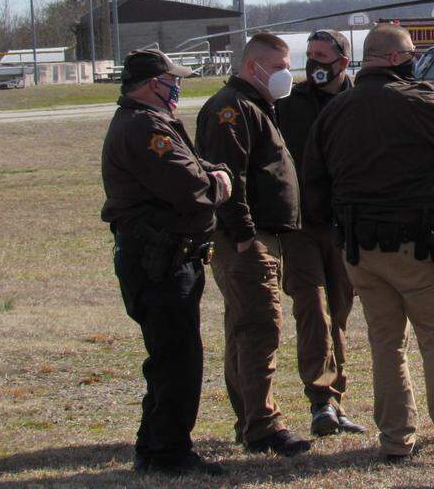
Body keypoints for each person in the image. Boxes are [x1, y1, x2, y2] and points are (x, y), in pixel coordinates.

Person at [304, 23, 434, 467]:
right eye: (411, 54)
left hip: (359, 250)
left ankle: (395, 441)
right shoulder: (420, 100)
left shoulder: (335, 111)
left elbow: (314, 182)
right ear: (395, 59)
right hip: (418, 246)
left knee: (386, 345)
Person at [100, 49, 233, 475]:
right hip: (158, 261)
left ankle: (156, 447)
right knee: (176, 359)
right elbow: (189, 186)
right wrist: (218, 186)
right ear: (151, 84)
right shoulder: (145, 127)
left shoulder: (150, 123)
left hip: (165, 258)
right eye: (171, 80)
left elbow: (193, 167)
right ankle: (169, 453)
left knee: (170, 356)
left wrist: (211, 172)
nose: (177, 86)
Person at [196, 33, 310, 457]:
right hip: (247, 240)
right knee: (259, 328)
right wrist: (244, 235)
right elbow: (230, 178)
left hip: (261, 236)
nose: (286, 74)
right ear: (252, 67)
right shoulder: (232, 109)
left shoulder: (257, 106)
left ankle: (250, 419)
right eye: (279, 66)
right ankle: (261, 424)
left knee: (245, 327)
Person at [276, 29, 365, 437]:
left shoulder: (361, 103)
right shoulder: (288, 105)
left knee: (340, 312)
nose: (314, 63)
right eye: (309, 54)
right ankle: (320, 401)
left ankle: (336, 399)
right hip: (300, 227)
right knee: (312, 309)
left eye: (322, 56)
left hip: (347, 226)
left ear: (343, 63)